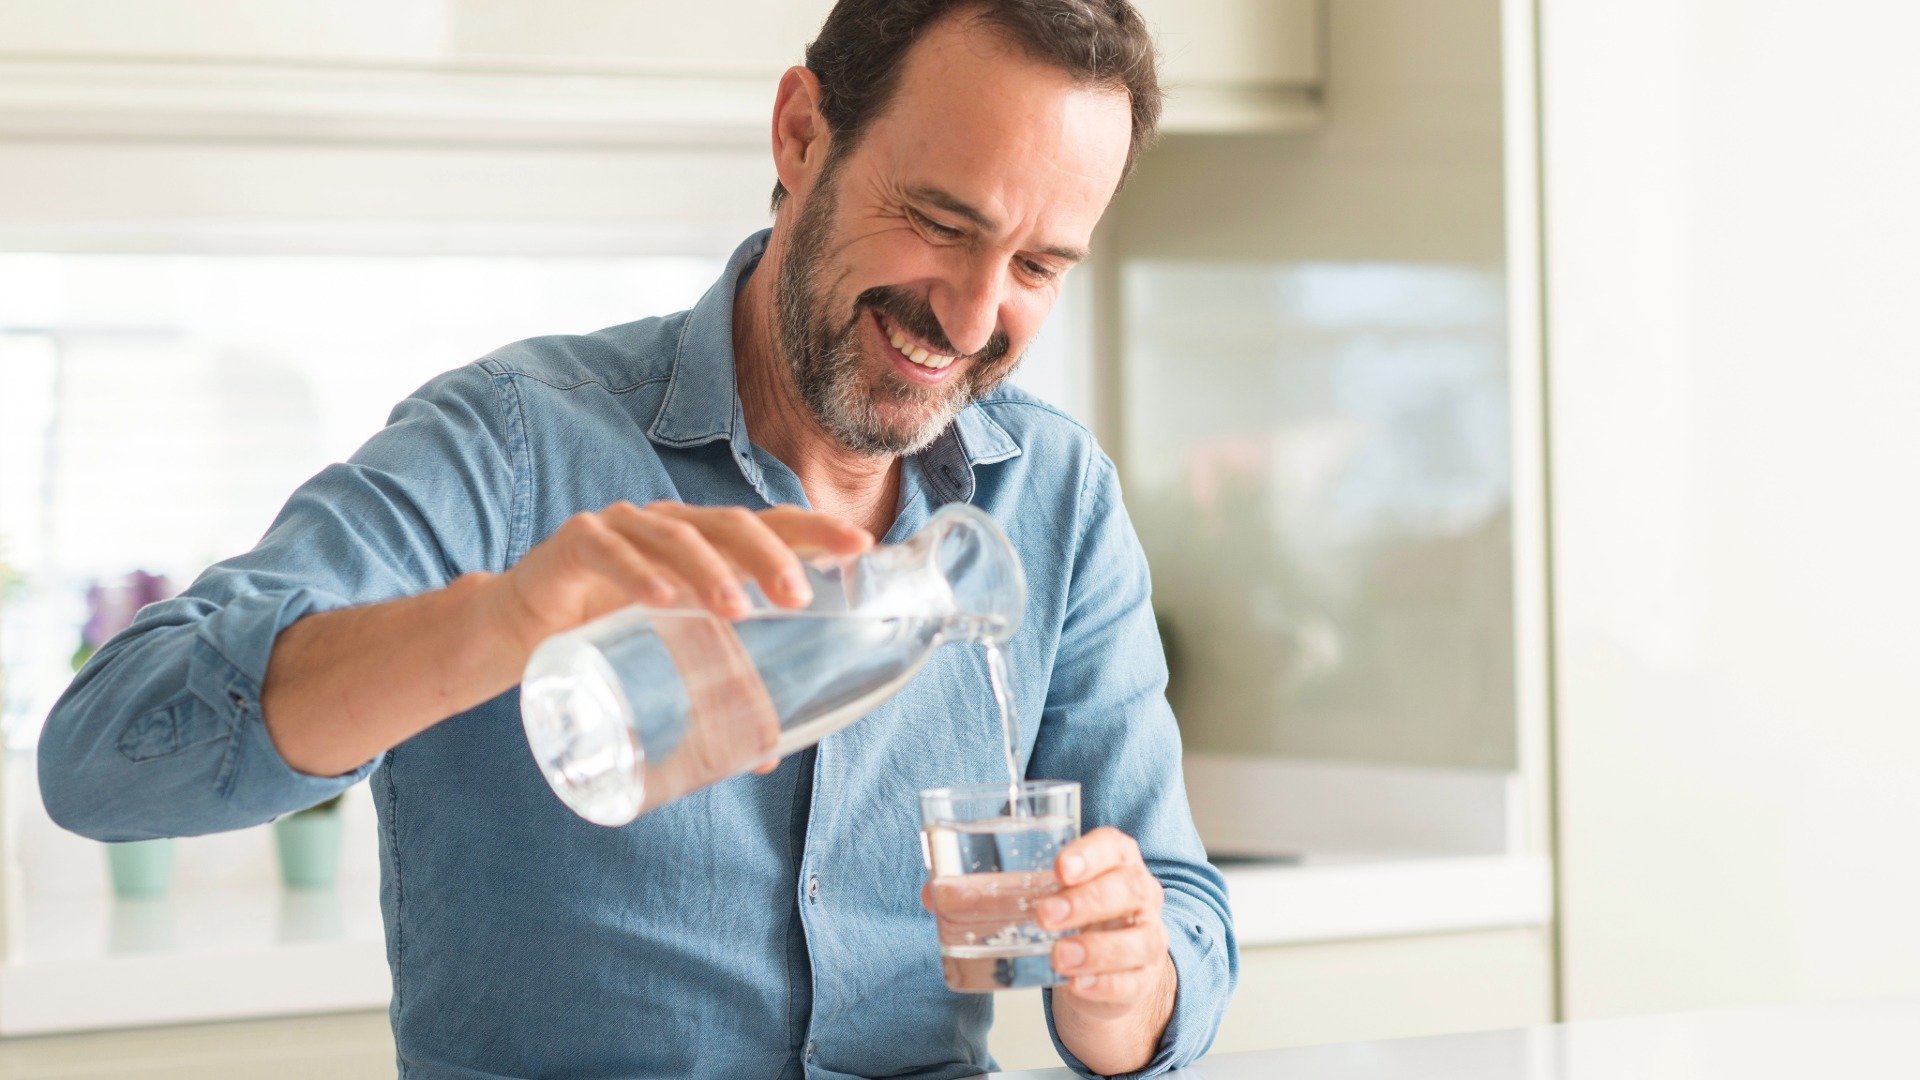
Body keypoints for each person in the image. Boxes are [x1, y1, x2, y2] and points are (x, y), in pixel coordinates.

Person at [38, 1, 1237, 1076]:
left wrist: (1126, 990)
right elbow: (102, 759)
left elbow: (1176, 903)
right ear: (800, 134)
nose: (974, 317)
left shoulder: (1057, 494)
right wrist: (496, 622)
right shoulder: (513, 448)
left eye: (1036, 265)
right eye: (937, 221)